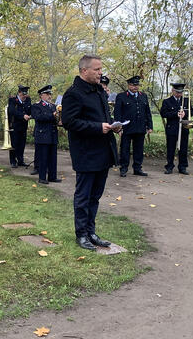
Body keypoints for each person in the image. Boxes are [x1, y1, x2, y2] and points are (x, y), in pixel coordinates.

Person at [62, 55, 120, 251]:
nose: (100, 72)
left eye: (101, 69)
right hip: (86, 153)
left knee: (95, 196)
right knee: (83, 196)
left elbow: (104, 117)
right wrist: (97, 127)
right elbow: (69, 122)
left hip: (103, 152)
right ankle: (81, 234)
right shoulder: (74, 93)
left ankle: (91, 231)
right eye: (96, 69)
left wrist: (113, 126)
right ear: (84, 71)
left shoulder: (99, 92)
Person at [113, 76, 153, 177]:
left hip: (140, 127)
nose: (135, 87)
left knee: (139, 149)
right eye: (133, 85)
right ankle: (124, 168)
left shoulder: (143, 96)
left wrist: (150, 126)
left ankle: (137, 168)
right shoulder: (121, 96)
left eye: (137, 85)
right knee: (125, 149)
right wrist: (118, 128)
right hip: (127, 128)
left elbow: (147, 112)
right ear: (129, 85)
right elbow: (118, 114)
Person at [160, 83, 193, 175]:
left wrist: (185, 114)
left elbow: (192, 112)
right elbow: (163, 114)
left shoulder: (186, 100)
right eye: (177, 92)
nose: (179, 94)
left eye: (181, 92)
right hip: (172, 128)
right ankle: (169, 166)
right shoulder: (167, 101)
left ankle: (182, 167)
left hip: (184, 127)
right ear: (173, 91)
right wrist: (176, 114)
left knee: (183, 148)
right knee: (170, 148)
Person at [30, 85, 61, 184]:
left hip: (52, 134)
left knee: (53, 157)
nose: (49, 96)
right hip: (42, 134)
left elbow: (55, 119)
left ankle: (52, 176)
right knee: (43, 157)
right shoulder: (36, 106)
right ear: (41, 95)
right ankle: (42, 177)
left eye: (50, 94)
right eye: (47, 94)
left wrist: (59, 121)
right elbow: (38, 117)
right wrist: (52, 115)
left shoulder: (53, 106)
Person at [7, 85, 32, 168]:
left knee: (22, 144)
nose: (24, 96)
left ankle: (20, 160)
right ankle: (13, 161)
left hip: (23, 125)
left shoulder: (28, 100)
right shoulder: (13, 100)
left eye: (25, 94)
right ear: (19, 93)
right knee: (14, 144)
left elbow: (29, 109)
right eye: (23, 94)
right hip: (14, 125)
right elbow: (12, 111)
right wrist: (23, 116)